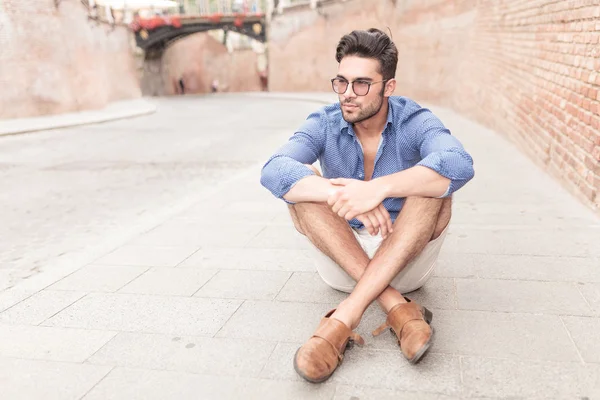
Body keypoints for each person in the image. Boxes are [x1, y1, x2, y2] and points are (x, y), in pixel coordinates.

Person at [260, 28, 475, 383]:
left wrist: (377, 189)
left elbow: (460, 164)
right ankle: (396, 308)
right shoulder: (324, 122)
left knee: (432, 183)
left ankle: (342, 320)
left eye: (361, 84)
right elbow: (273, 171)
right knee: (302, 183)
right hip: (342, 260)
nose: (347, 94)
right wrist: (340, 194)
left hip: (407, 261)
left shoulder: (415, 120)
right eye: (341, 82)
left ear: (388, 87)